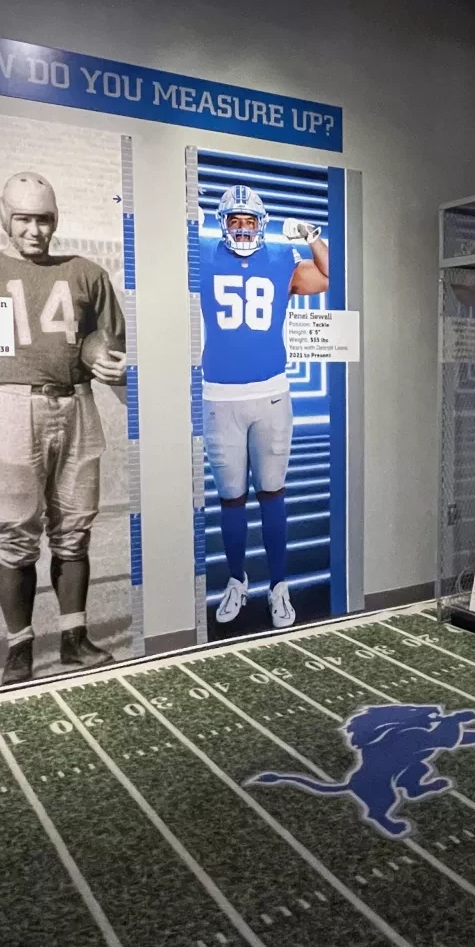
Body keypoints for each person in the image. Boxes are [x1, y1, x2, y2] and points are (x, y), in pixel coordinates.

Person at [0, 171, 127, 684]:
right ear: (5, 217)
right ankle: (19, 647)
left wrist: (113, 367)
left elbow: (111, 347)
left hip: (76, 402)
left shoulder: (86, 273)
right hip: (12, 404)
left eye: (43, 219)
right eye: (23, 219)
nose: (34, 230)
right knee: (16, 533)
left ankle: (74, 640)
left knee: (75, 530)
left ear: (56, 220)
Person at [200, 185, 328, 630]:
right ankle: (237, 579)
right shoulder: (202, 254)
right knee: (231, 498)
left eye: (248, 220)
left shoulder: (280, 259)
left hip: (271, 393)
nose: (241, 228)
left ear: (261, 223)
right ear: (223, 223)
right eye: (234, 220)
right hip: (220, 396)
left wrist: (312, 236)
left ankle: (278, 586)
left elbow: (331, 276)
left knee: (272, 492)